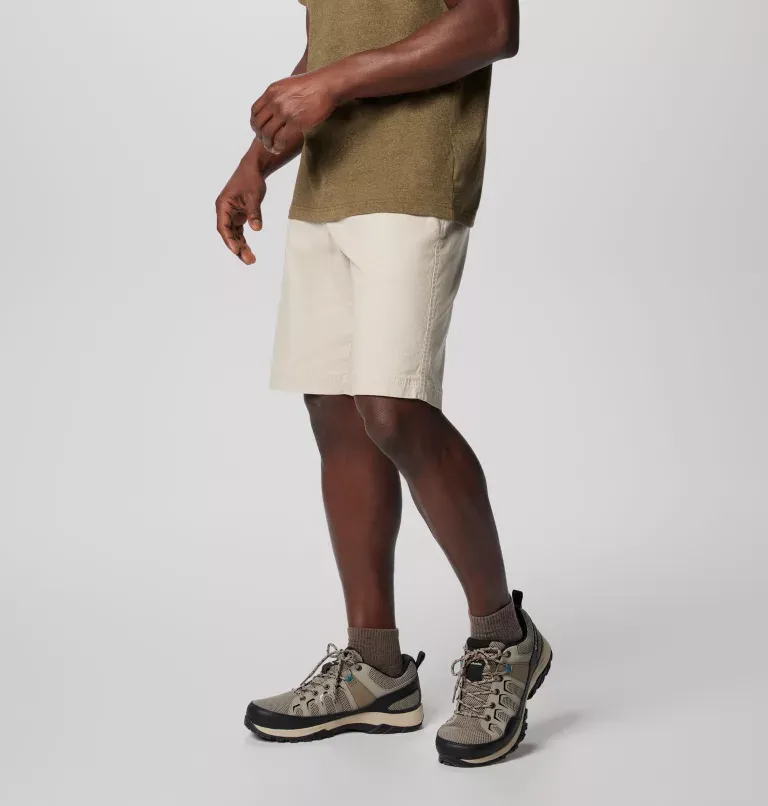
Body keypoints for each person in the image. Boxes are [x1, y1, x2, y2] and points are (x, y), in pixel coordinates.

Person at [216, 0, 551, 767]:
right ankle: (377, 669)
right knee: (336, 413)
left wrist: (333, 83)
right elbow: (333, 44)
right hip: (327, 184)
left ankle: (504, 640)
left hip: (415, 177)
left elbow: (492, 26)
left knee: (393, 410)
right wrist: (257, 160)